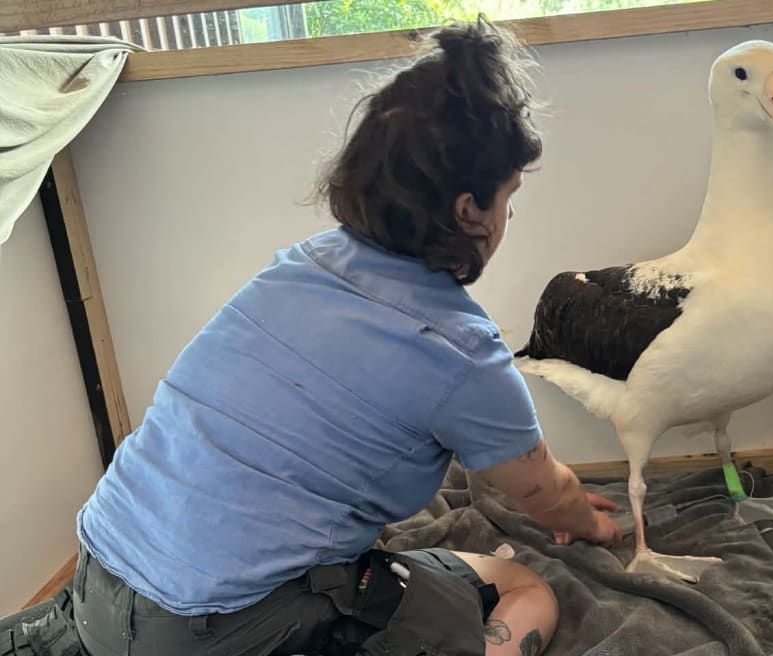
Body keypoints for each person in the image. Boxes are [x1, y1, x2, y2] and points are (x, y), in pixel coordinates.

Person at [63, 15, 622, 656]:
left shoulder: (303, 263)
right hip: (203, 628)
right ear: (468, 210)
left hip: (96, 577)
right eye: (508, 195)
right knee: (524, 589)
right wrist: (590, 524)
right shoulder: (460, 350)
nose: (510, 213)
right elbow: (543, 492)